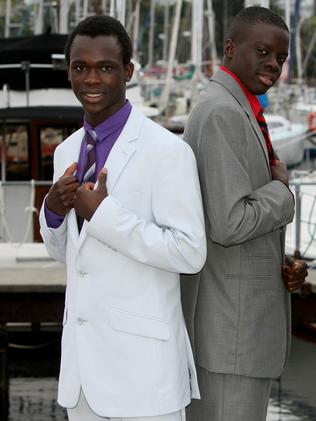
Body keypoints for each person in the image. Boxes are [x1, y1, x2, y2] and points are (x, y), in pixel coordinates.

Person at [39, 15, 206, 421]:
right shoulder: (66, 152)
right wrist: (54, 212)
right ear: (69, 72)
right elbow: (72, 259)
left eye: (106, 67)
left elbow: (190, 253)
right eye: (81, 67)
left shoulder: (168, 151)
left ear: (128, 71)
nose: (92, 79)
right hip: (81, 378)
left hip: (144, 377)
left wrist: (104, 214)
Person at [181, 6, 308, 421]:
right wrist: (282, 194)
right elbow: (228, 222)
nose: (273, 64)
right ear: (230, 48)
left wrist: (281, 263)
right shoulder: (222, 112)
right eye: (263, 52)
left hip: (235, 335)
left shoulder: (237, 107)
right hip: (228, 339)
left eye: (281, 57)